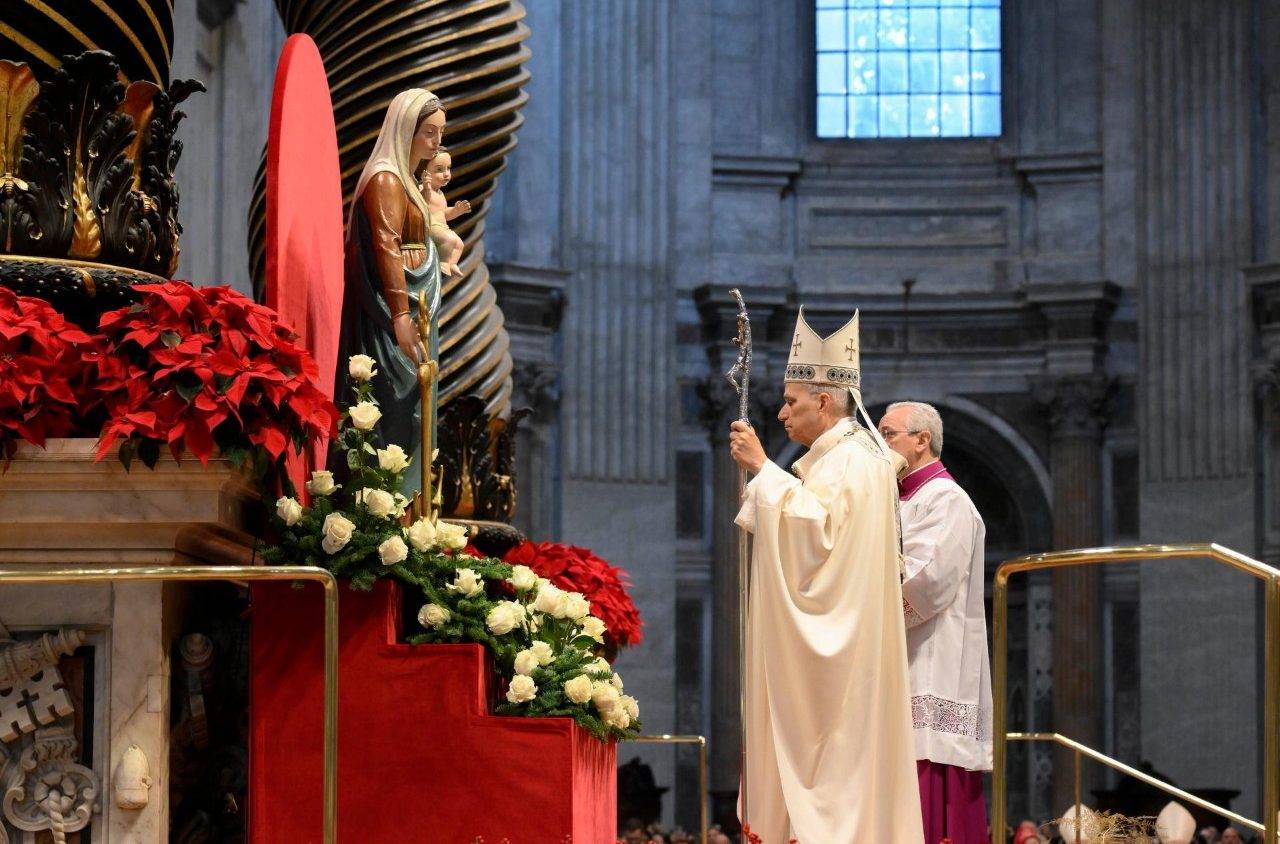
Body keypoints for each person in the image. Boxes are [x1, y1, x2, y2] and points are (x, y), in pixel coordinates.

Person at [728, 307, 922, 843]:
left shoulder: (854, 462)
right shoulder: (848, 459)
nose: (781, 414)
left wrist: (762, 469)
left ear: (824, 400)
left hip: (842, 656)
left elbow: (818, 542)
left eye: (791, 401)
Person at [878, 401, 993, 844]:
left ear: (922, 440)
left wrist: (860, 604)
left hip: (930, 668)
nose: (880, 444)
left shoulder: (947, 500)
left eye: (888, 434)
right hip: (895, 665)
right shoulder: (897, 499)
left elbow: (926, 581)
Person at [335, 88, 446, 500]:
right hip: (391, 317)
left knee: (418, 405)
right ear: (405, 130)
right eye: (428, 132)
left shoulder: (409, 182)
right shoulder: (386, 179)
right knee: (396, 407)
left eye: (440, 133)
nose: (436, 142)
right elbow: (385, 244)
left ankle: (408, 512)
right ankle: (382, 508)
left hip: (416, 311)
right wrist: (400, 315)